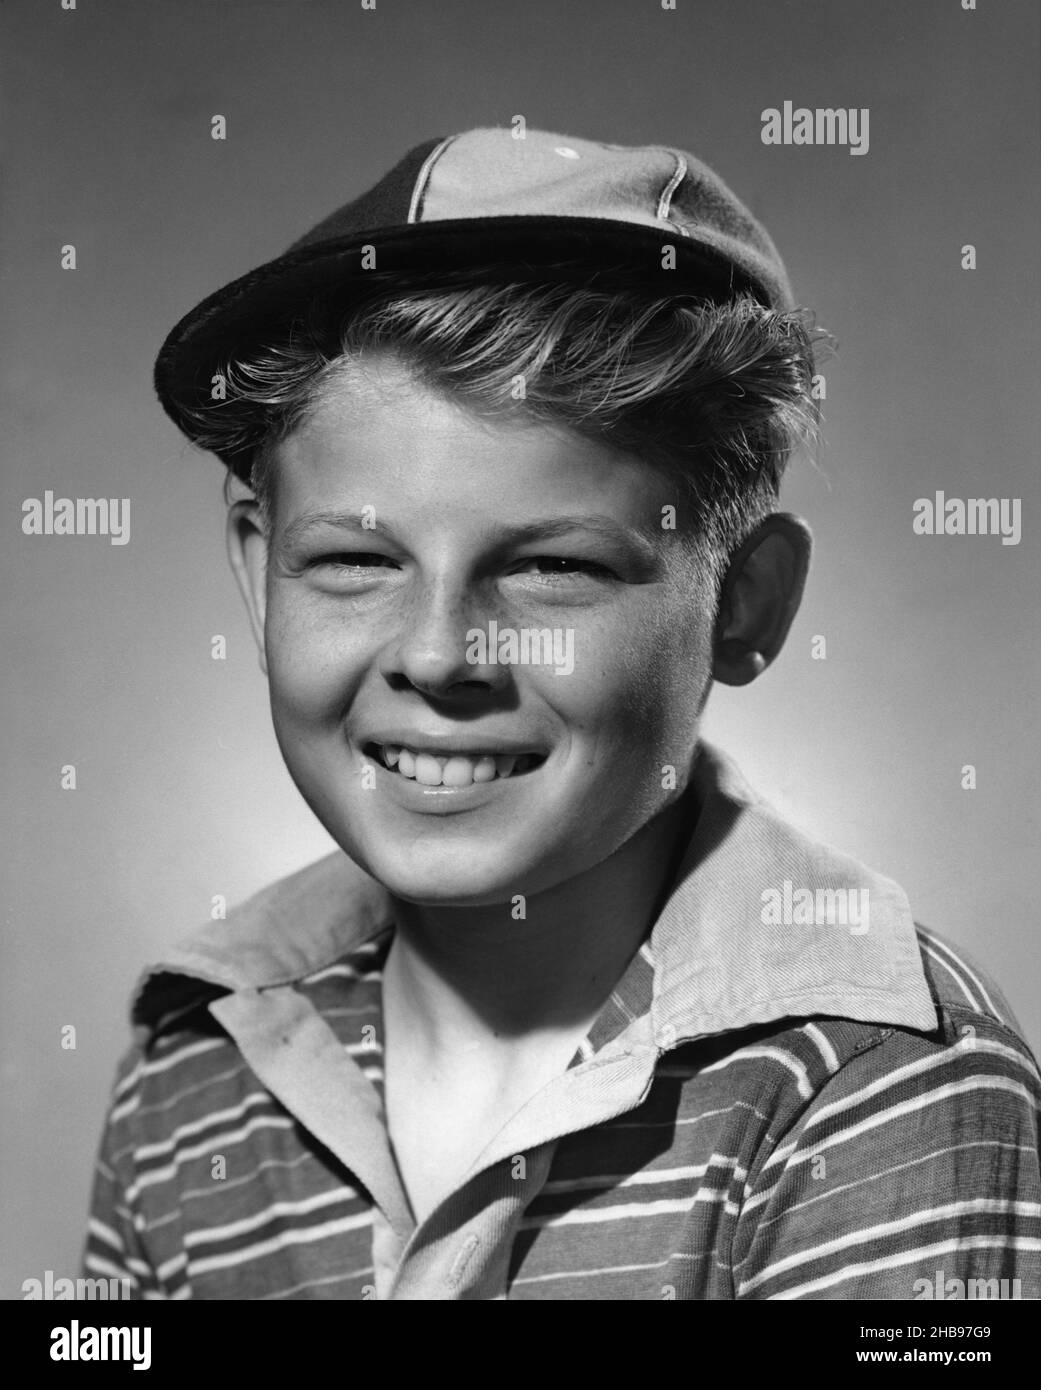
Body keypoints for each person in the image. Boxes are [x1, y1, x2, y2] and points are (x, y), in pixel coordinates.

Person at [84, 126, 1040, 1300]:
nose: (440, 653)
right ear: (257, 566)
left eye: (554, 569)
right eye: (352, 560)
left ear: (745, 602)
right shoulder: (194, 1061)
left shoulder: (880, 1088)